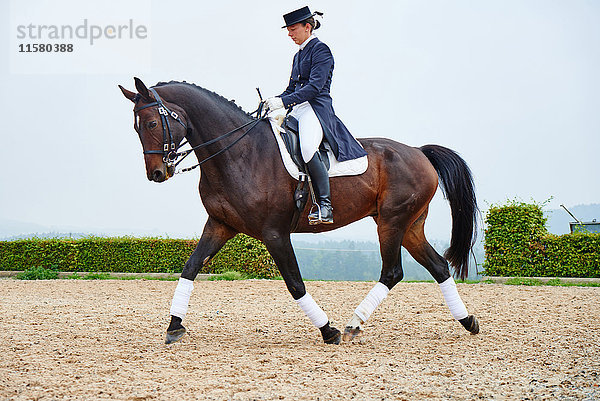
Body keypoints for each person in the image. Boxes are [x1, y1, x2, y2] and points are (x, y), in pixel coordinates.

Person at [265, 6, 367, 225]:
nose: (289, 34)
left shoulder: (321, 50)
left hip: (315, 108)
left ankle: (325, 205)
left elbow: (315, 87)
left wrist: (283, 102)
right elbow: (292, 88)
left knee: (308, 148)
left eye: (293, 29)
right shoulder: (298, 55)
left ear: (307, 27)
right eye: (288, 30)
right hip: (298, 108)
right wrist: (273, 102)